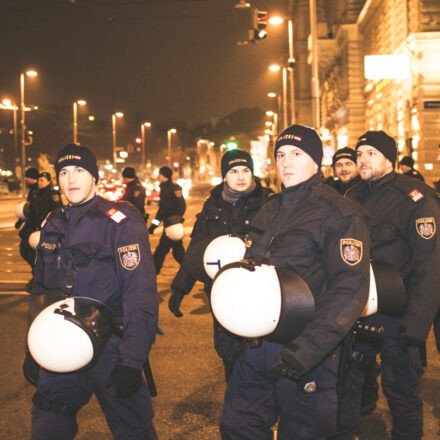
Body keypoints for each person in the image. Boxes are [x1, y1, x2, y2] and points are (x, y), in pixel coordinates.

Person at [220, 124, 370, 439]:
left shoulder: (340, 214)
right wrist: (231, 331)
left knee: (304, 433)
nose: (286, 162)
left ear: (316, 161)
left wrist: (305, 352)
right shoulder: (269, 209)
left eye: (297, 154)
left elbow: (348, 292)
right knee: (237, 428)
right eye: (281, 154)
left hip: (308, 353)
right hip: (257, 347)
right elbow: (251, 274)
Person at [25, 144, 158, 440]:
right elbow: (41, 291)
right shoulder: (52, 223)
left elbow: (140, 294)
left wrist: (133, 360)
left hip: (111, 348)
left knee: (134, 430)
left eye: (80, 171)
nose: (71, 179)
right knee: (47, 423)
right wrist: (32, 349)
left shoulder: (119, 221)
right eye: (64, 172)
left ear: (94, 177)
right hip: (60, 344)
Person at [335, 131, 440, 440]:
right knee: (348, 384)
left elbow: (430, 265)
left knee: (401, 390)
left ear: (388, 158)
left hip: (399, 313)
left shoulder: (416, 198)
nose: (362, 159)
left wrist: (417, 323)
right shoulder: (351, 196)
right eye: (359, 154)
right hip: (357, 311)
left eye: (370, 153)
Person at [169, 149, 273, 380]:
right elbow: (197, 248)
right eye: (234, 171)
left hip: (260, 289)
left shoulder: (269, 202)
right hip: (222, 290)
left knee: (261, 348)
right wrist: (180, 288)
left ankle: (256, 401)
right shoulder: (211, 205)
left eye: (246, 170)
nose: (241, 176)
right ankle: (235, 396)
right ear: (224, 176)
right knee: (228, 349)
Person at [18, 172, 62, 291]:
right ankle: (37, 276)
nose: (39, 182)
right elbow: (29, 210)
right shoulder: (35, 193)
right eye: (39, 180)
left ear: (48, 181)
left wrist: (52, 228)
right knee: (24, 250)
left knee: (39, 255)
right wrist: (21, 221)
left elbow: (58, 212)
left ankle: (39, 280)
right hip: (31, 228)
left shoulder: (53, 194)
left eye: (42, 180)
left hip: (44, 230)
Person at [148, 166, 186, 274]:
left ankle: (153, 273)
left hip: (171, 226)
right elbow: (180, 206)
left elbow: (163, 211)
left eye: (159, 174)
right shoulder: (170, 188)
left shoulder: (169, 189)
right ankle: (188, 271)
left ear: (164, 176)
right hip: (171, 225)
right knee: (177, 252)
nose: (158, 176)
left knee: (161, 252)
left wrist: (153, 226)